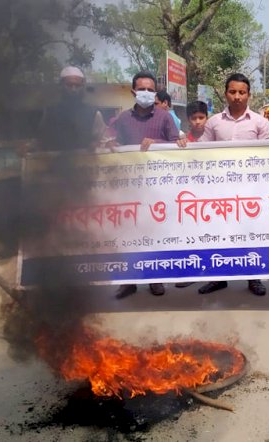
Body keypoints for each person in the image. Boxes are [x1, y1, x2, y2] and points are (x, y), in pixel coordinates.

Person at [198, 73, 269, 296]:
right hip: (220, 191)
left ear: (249, 94)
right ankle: (219, 278)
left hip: (250, 191)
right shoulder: (213, 123)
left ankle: (254, 278)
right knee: (219, 233)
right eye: (233, 92)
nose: (237, 97)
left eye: (242, 92)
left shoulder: (261, 123)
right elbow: (200, 154)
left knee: (250, 233)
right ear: (226, 94)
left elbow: (268, 157)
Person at [111, 71, 180, 299]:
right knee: (128, 235)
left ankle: (155, 279)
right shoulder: (122, 119)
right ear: (133, 92)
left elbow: (177, 145)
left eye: (151, 90)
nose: (147, 94)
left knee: (153, 234)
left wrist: (158, 143)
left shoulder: (164, 117)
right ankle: (128, 281)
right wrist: (109, 143)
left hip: (156, 188)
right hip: (128, 188)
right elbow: (110, 140)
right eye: (143, 89)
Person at [172, 100, 209, 290]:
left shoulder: (214, 140)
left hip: (213, 195)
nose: (197, 122)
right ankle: (191, 273)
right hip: (191, 197)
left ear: (207, 118)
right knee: (191, 236)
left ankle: (215, 277)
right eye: (194, 118)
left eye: (201, 117)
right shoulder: (183, 140)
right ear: (188, 120)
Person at [38, 66, 107, 152]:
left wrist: (98, 144)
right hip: (57, 163)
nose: (73, 89)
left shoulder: (94, 113)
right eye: (69, 85)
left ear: (82, 87)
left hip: (86, 163)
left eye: (77, 86)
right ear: (61, 86)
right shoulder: (49, 113)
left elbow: (103, 140)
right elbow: (41, 142)